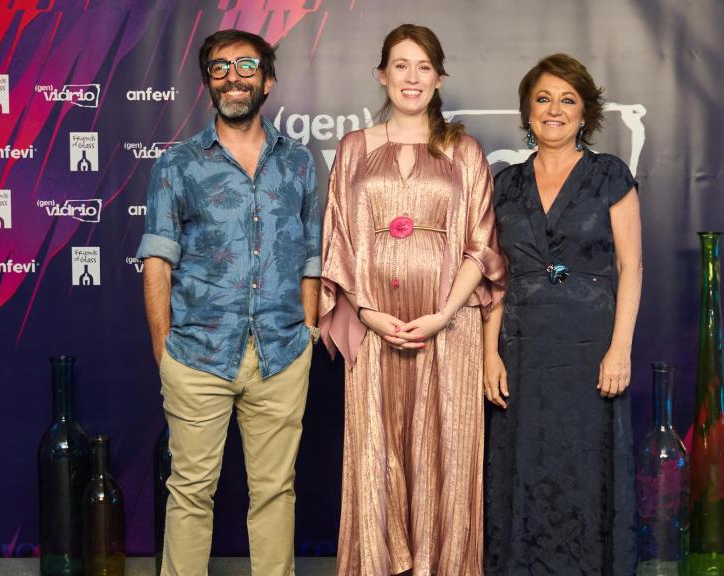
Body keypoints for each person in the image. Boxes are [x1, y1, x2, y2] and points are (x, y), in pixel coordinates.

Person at [319, 23, 506, 576]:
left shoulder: (465, 151)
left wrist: (445, 314)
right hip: (375, 329)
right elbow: (337, 240)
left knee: (446, 453)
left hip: (450, 329)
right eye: (401, 65)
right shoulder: (354, 149)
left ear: (439, 78)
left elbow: (482, 242)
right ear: (382, 75)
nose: (412, 76)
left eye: (423, 66)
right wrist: (371, 315)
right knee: (377, 453)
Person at [136, 29, 322, 576]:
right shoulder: (177, 165)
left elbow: (313, 254)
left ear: (267, 79)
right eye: (219, 68)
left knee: (275, 491)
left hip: (283, 353)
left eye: (245, 66)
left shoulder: (300, 163)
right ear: (207, 82)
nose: (232, 77)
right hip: (196, 355)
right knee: (191, 492)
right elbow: (157, 262)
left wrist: (308, 330)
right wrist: (164, 352)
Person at [483, 53, 643, 575]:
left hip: (589, 346)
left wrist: (620, 349)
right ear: (528, 112)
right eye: (543, 99)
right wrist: (489, 354)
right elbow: (495, 275)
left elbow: (632, 266)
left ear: (585, 112)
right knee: (520, 464)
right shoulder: (503, 182)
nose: (555, 110)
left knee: (585, 465)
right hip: (522, 347)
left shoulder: (609, 175)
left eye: (567, 100)